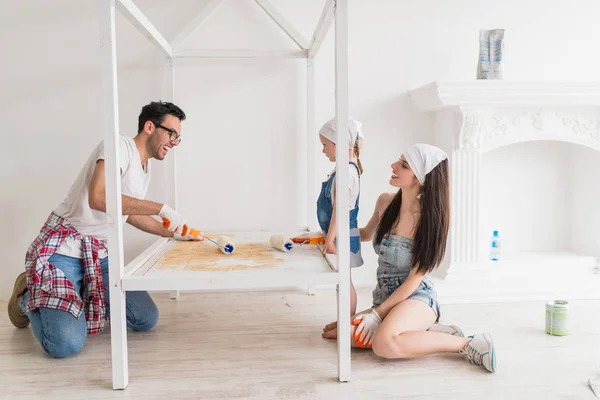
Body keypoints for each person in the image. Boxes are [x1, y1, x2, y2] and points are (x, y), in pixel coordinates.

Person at [7, 101, 199, 358]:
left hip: (99, 253)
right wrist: (160, 207)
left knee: (145, 318)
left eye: (178, 137)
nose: (175, 142)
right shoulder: (118, 146)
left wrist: (172, 232)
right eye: (171, 133)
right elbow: (98, 198)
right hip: (64, 250)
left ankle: (75, 295)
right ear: (150, 126)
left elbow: (124, 211)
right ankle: (27, 292)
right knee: (65, 345)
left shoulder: (145, 166)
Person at [322, 143, 496, 373]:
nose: (393, 166)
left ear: (420, 179)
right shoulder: (386, 202)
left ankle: (468, 343)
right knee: (338, 332)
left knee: (384, 344)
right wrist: (327, 235)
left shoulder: (429, 219)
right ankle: (433, 332)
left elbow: (415, 279)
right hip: (386, 298)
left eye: (403, 165)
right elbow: (364, 234)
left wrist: (376, 314)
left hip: (416, 298)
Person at [317, 116, 365, 317]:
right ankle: (344, 323)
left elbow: (341, 210)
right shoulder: (343, 171)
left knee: (344, 282)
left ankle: (346, 325)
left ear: (338, 143)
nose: (323, 150)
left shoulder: (346, 173)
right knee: (342, 282)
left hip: (342, 237)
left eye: (325, 144)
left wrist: (329, 239)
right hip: (338, 235)